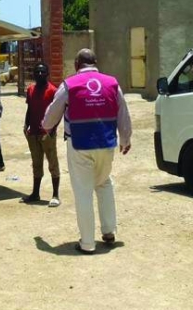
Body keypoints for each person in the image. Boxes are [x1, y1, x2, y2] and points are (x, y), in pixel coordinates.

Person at [42, 49, 132, 254]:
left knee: (83, 191)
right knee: (103, 183)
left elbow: (53, 111)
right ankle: (109, 231)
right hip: (106, 144)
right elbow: (123, 111)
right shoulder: (112, 83)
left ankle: (88, 243)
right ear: (96, 62)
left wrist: (46, 126)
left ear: (76, 64)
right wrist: (125, 139)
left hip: (79, 145)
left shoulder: (70, 84)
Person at [23, 63, 61, 207]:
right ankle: (35, 193)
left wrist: (52, 129)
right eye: (37, 72)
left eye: (42, 72)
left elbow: (58, 111)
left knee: (52, 162)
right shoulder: (31, 89)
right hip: (33, 133)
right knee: (36, 163)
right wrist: (26, 125)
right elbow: (30, 108)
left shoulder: (53, 91)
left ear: (47, 74)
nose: (39, 74)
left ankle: (55, 194)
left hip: (47, 133)